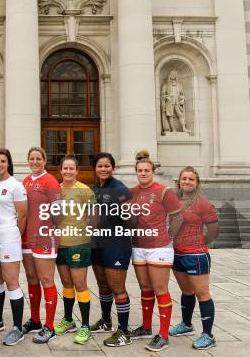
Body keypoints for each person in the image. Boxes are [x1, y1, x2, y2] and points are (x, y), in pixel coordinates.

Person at [129, 150, 183, 352]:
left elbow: (177, 217)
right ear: (136, 172)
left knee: (160, 289)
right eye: (140, 171)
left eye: (146, 170)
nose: (143, 173)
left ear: (152, 171)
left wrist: (168, 237)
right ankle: (145, 327)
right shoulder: (132, 192)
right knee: (145, 288)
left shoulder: (163, 191)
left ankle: (164, 335)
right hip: (138, 247)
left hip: (158, 247)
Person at [169, 166, 219, 350]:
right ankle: (187, 325)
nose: (187, 182)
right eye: (184, 178)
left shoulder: (202, 203)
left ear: (197, 183)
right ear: (179, 181)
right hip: (177, 253)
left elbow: (214, 230)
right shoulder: (173, 200)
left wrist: (198, 244)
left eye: (191, 179)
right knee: (186, 291)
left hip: (196, 255)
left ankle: (208, 335)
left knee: (202, 294)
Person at [0, 149, 28, 346]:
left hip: (8, 237)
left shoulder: (16, 186)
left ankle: (18, 328)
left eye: (3, 161)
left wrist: (13, 234)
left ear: (8, 163)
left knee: (12, 282)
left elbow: (23, 216)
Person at [89, 152, 134, 347]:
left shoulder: (120, 189)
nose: (104, 169)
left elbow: (132, 218)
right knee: (103, 286)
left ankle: (124, 332)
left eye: (107, 166)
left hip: (116, 244)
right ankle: (106, 322)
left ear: (113, 168)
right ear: (95, 169)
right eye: (100, 166)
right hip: (97, 243)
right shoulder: (94, 189)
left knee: (117, 288)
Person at [21, 147, 61, 344]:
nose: (35, 161)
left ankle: (50, 327)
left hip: (45, 238)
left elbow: (59, 214)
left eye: (38, 158)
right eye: (32, 158)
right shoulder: (27, 180)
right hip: (27, 237)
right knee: (31, 279)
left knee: (46, 280)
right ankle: (36, 320)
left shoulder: (51, 181)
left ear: (44, 160)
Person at [54, 155, 95, 345]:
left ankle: (85, 326)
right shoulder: (56, 190)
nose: (68, 171)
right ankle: (69, 320)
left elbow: (94, 218)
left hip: (79, 244)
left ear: (77, 171)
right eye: (65, 168)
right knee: (66, 284)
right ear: (60, 170)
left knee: (80, 285)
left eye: (72, 168)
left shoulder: (84, 190)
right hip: (60, 244)